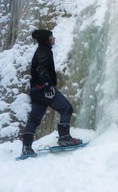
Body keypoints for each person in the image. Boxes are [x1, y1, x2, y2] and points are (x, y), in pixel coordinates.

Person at [20, 29, 82, 158]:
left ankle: (26, 148)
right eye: (51, 36)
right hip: (44, 89)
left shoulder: (41, 50)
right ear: (46, 39)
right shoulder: (44, 51)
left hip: (36, 90)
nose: (54, 38)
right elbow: (41, 68)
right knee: (66, 109)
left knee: (34, 119)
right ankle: (64, 138)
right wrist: (47, 84)